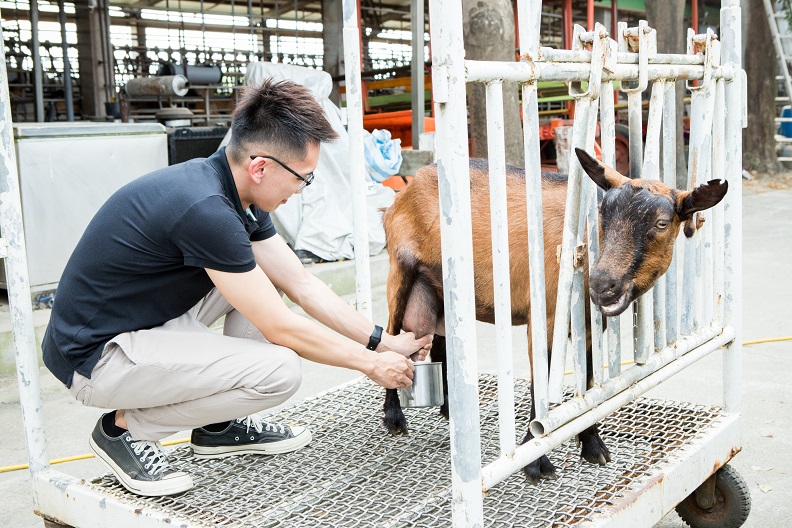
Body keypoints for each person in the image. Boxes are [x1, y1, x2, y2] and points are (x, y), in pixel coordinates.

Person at [41, 78, 432, 498]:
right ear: (261, 167)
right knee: (279, 372)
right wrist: (369, 364)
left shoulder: (234, 191)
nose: (301, 190)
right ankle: (123, 431)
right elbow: (281, 328)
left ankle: (218, 425)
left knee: (267, 279)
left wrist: (382, 342)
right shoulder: (206, 210)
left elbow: (300, 283)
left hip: (140, 322)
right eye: (303, 179)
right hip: (95, 360)